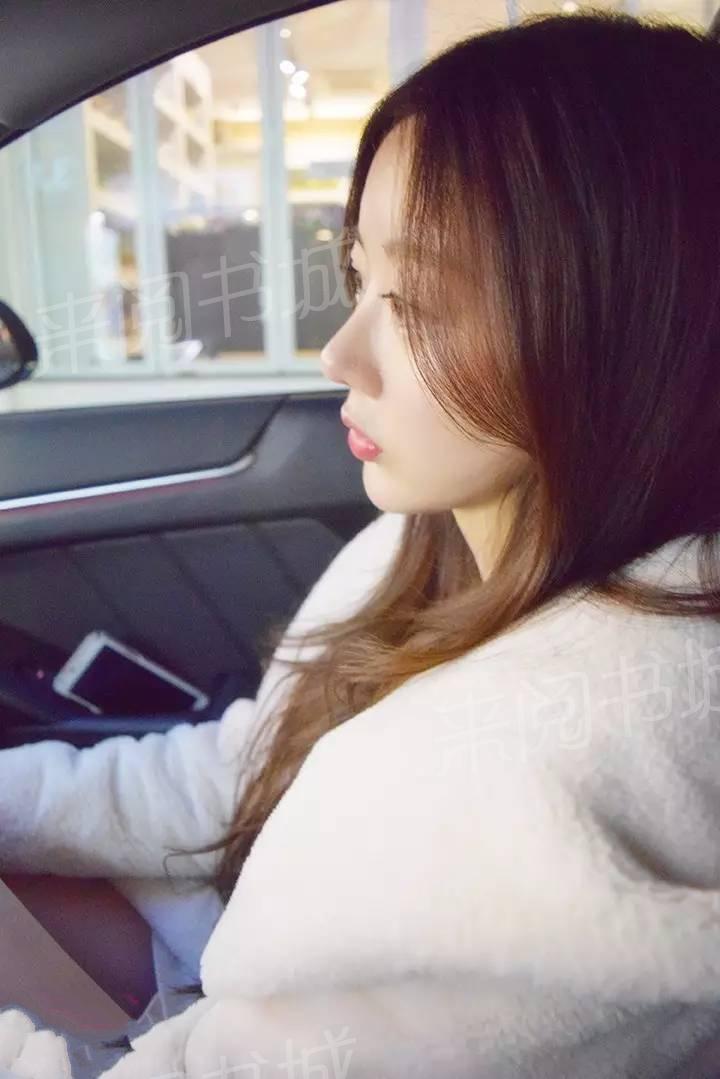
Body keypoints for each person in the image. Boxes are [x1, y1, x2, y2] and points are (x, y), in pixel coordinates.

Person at [5, 8, 720, 1076]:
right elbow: (243, 766)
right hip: (206, 955)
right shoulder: (419, 541)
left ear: (624, 323)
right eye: (358, 275)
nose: (341, 351)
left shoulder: (577, 760)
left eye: (421, 299)